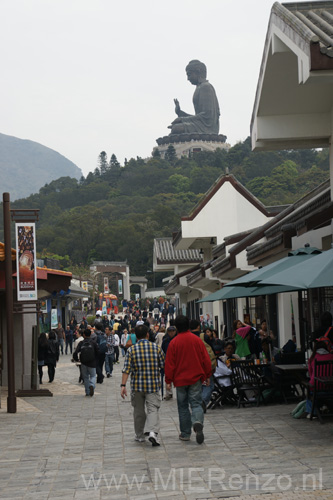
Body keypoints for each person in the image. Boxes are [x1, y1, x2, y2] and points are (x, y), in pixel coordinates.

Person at [165, 315, 211, 444]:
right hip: (195, 378)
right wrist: (207, 375)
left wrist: (168, 380)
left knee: (183, 406)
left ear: (177, 327)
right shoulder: (196, 340)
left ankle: (185, 433)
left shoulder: (173, 342)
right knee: (196, 403)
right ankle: (197, 421)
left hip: (180, 380)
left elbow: (169, 363)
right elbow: (205, 359)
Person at [121, 324, 165, 446]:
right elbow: (163, 365)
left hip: (137, 386)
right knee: (153, 409)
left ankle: (140, 435)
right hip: (153, 385)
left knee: (138, 411)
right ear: (147, 334)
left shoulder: (131, 350)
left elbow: (126, 370)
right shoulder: (156, 348)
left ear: (136, 336)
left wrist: (123, 385)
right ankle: (152, 432)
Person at [168, 60, 220, 135]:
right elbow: (198, 117)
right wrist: (180, 113)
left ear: (198, 72)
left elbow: (207, 116)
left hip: (207, 128)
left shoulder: (206, 87)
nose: (188, 79)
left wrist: (182, 119)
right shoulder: (200, 87)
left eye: (189, 75)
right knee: (175, 129)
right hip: (200, 124)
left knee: (176, 129)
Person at [73, 329, 99, 396]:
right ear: (90, 334)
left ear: (83, 335)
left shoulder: (81, 343)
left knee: (86, 377)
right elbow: (98, 352)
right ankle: (92, 385)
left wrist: (77, 359)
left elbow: (75, 352)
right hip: (92, 362)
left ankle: (87, 392)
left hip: (83, 362)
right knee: (93, 376)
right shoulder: (93, 342)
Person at [200, 328, 217, 412]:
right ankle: (203, 401)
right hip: (206, 368)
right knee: (209, 385)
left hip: (196, 368)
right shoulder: (206, 342)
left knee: (201, 386)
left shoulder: (195, 340)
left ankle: (199, 403)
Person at [161, 325, 177, 400]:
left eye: (172, 331)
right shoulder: (166, 340)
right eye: (170, 331)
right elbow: (163, 349)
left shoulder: (177, 339)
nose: (171, 333)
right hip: (168, 359)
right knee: (168, 376)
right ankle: (168, 393)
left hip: (176, 360)